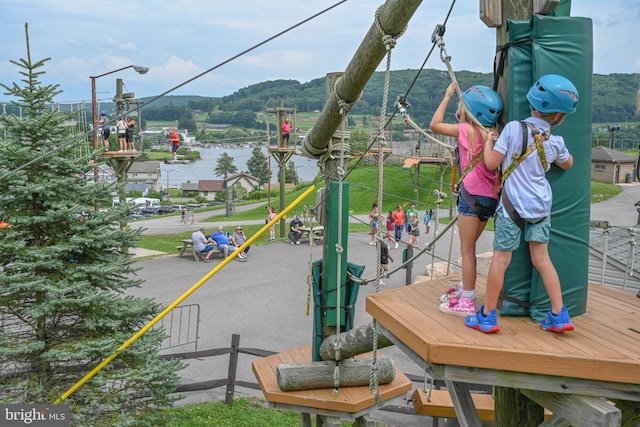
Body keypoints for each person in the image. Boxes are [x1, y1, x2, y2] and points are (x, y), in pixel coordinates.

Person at [464, 74, 579, 333]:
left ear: (533, 103)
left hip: (513, 207)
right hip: (541, 206)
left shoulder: (514, 129)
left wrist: (489, 144)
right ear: (558, 116)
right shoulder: (555, 141)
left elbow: (492, 163)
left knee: (501, 260)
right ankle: (560, 315)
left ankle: (487, 315)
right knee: (543, 259)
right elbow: (568, 163)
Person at [430, 82, 502, 316]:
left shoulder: (467, 131)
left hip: (471, 198)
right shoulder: (492, 134)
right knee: (469, 248)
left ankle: (468, 300)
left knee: (467, 250)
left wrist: (447, 96)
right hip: (490, 198)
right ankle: (466, 288)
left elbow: (435, 125)